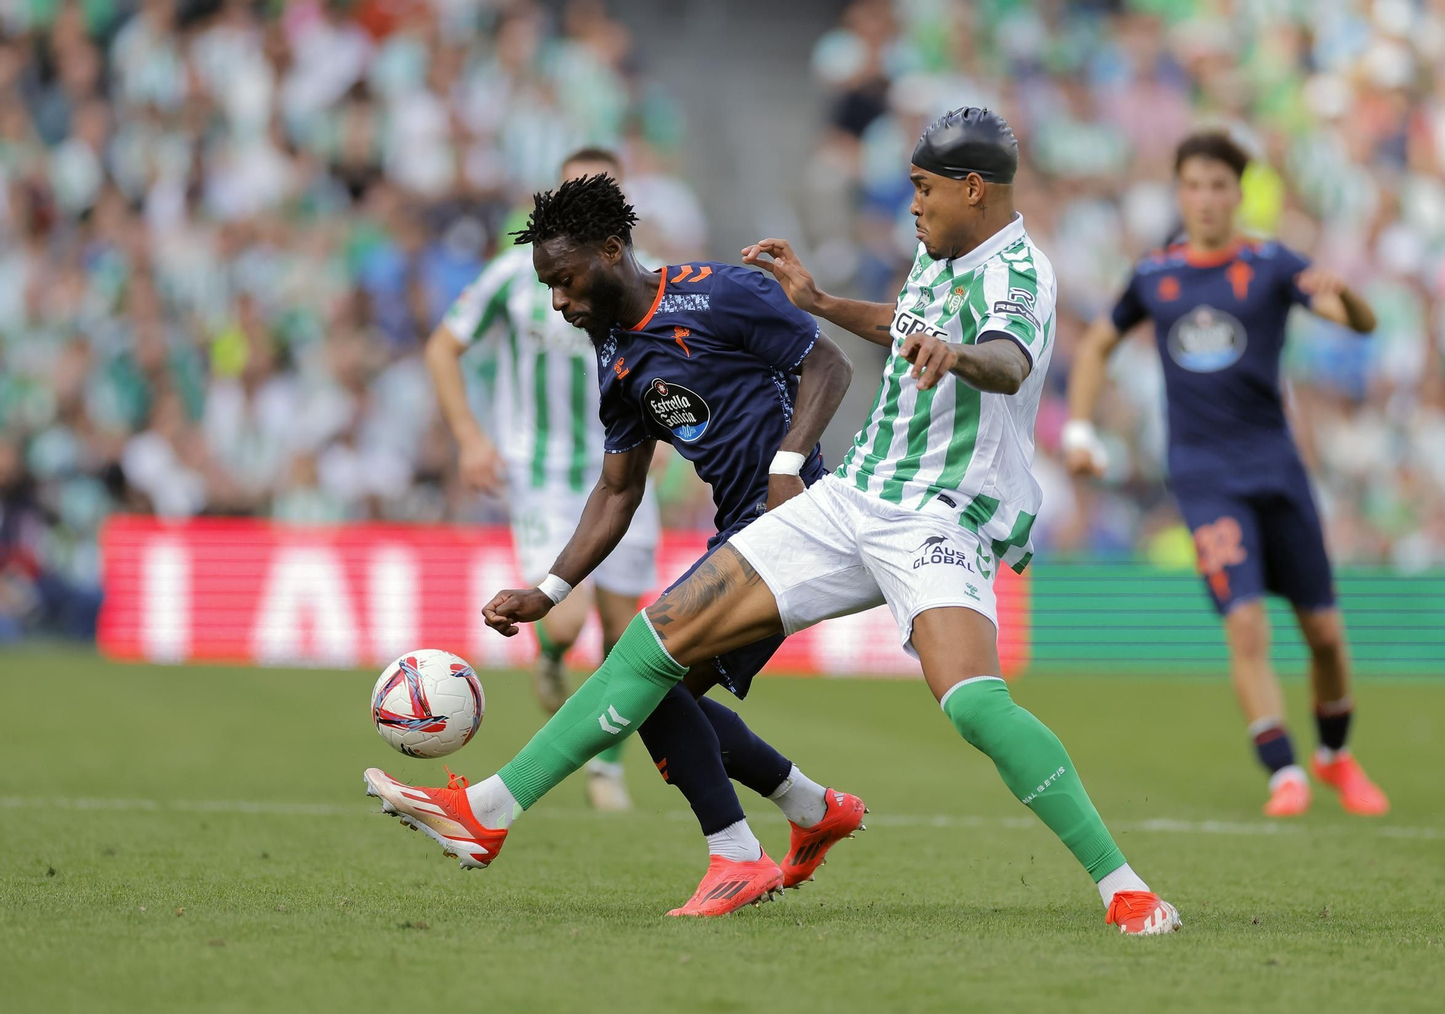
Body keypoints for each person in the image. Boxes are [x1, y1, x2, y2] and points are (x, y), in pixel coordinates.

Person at [367, 108, 1181, 936]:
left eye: (924, 189)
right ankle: (492, 813)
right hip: (855, 495)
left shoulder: (1019, 274)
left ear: (974, 188)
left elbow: (1007, 363)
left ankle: (1124, 886)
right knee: (654, 642)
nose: (912, 205)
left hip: (941, 513)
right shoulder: (940, 257)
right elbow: (901, 327)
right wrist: (822, 300)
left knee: (972, 705)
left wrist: (956, 358)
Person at [375, 172, 866, 917]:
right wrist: (548, 589)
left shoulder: (719, 294)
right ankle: (810, 809)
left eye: (566, 281)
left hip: (792, 529)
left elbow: (829, 364)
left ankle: (510, 818)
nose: (558, 302)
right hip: (741, 533)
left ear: (611, 251)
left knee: (640, 668)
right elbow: (617, 490)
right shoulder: (614, 355)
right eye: (547, 287)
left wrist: (788, 464)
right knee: (655, 689)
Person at [1064, 130, 1390, 819]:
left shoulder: (1271, 264)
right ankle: (1284, 773)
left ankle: (1334, 757)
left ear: (1238, 194)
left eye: (1219, 186)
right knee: (1246, 627)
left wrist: (1349, 296)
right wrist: (1081, 429)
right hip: (1205, 477)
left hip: (1277, 469)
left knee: (1325, 633)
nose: (1206, 199)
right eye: (1194, 186)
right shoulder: (1156, 275)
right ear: (1179, 192)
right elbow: (1097, 343)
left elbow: (1357, 321)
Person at [425, 147, 654, 811]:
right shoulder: (512, 274)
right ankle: (551, 655)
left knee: (626, 631)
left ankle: (606, 768)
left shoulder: (644, 275)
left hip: (621, 465)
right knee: (567, 617)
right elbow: (444, 346)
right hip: (544, 472)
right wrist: (470, 438)